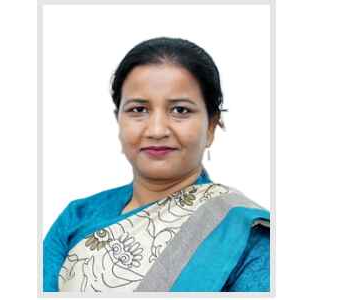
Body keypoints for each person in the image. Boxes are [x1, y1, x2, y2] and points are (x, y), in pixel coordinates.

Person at [43, 37, 270, 293]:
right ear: (118, 120)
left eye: (181, 110)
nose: (157, 129)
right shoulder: (78, 217)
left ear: (210, 126)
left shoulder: (245, 234)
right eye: (138, 110)